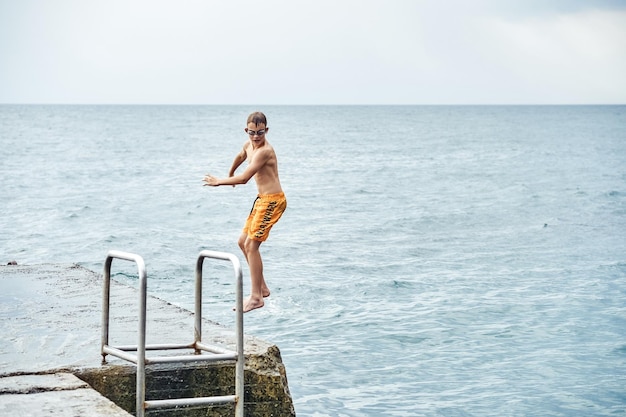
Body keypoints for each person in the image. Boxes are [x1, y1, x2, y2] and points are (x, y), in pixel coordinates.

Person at [203, 111, 287, 312]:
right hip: (261, 200)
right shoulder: (249, 145)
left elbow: (244, 179)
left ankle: (256, 297)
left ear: (266, 130)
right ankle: (263, 288)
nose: (256, 137)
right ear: (246, 131)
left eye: (260, 133)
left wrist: (220, 181)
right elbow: (241, 156)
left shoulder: (265, 151)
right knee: (242, 242)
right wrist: (230, 171)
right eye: (252, 132)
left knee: (251, 246)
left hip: (273, 201)